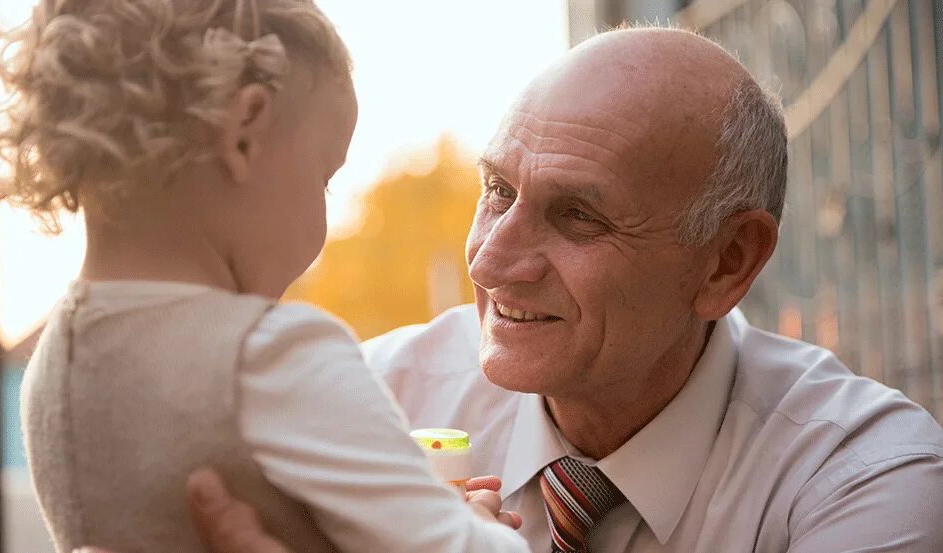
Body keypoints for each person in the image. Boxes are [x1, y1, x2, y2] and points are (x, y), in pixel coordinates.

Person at [183, 26, 943, 553]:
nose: (490, 261)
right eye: (496, 190)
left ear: (727, 261)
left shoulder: (865, 477)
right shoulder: (368, 404)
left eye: (577, 216)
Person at [0, 0, 530, 552]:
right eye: (325, 176)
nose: (324, 215)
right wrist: (480, 529)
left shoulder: (52, 369)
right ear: (244, 133)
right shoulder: (271, 355)